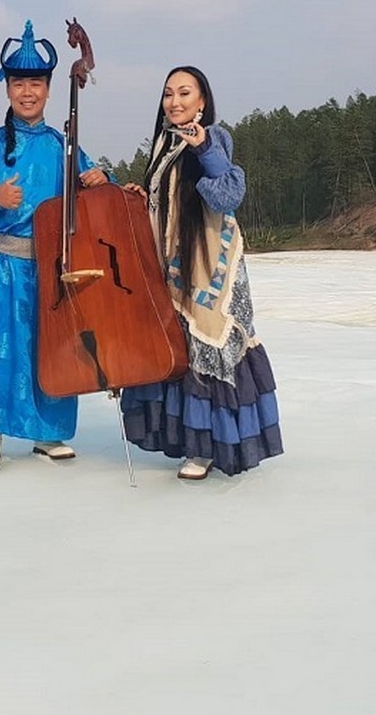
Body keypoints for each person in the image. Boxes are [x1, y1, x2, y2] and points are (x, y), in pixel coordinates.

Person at [0, 20, 109, 471]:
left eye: (36, 83)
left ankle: (45, 433)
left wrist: (99, 180)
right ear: (7, 89)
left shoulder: (63, 146)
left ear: (48, 90)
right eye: (19, 83)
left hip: (48, 266)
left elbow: (90, 198)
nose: (27, 92)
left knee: (47, 347)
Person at [121, 66, 283, 480]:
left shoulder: (214, 137)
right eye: (168, 94)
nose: (175, 102)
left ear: (202, 101)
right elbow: (166, 204)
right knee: (178, 346)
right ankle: (190, 441)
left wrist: (204, 148)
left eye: (184, 93)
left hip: (209, 264)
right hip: (171, 264)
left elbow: (229, 194)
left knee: (207, 343)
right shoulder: (163, 145)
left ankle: (209, 447)